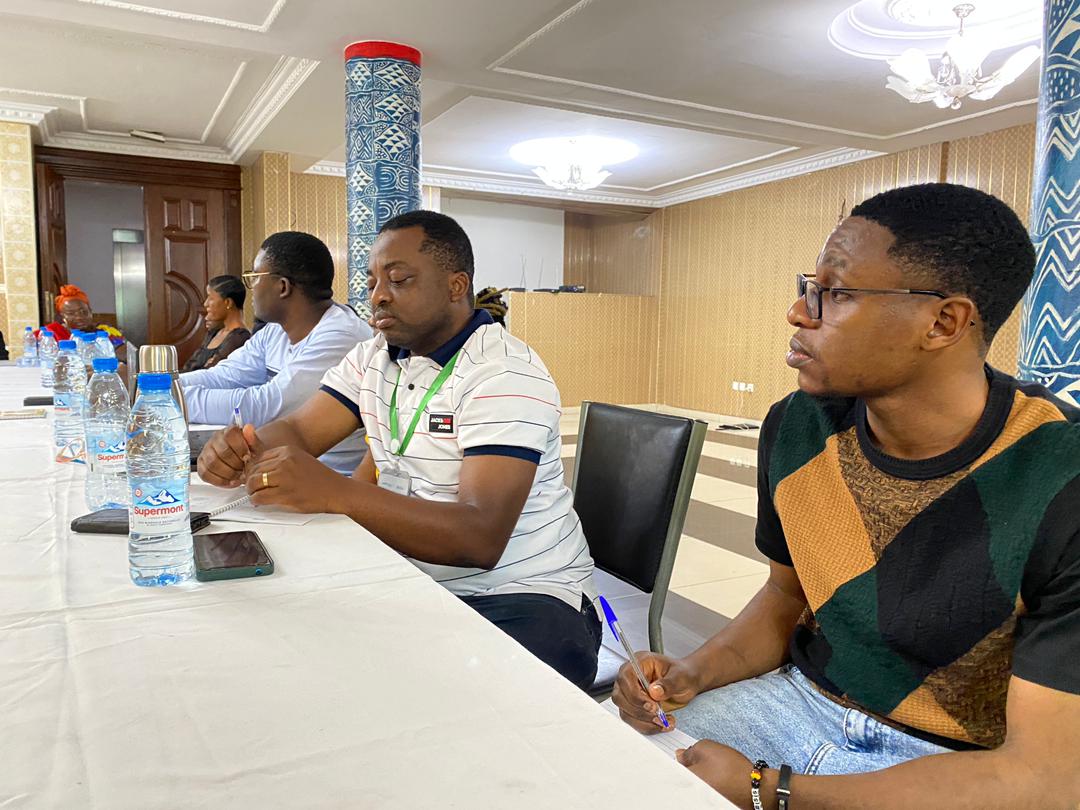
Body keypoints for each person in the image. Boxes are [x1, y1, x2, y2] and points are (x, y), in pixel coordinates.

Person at [613, 184, 1080, 808]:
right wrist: (694, 670)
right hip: (798, 703)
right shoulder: (798, 426)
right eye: (811, 286)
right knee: (601, 766)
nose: (798, 312)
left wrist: (770, 792)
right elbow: (787, 596)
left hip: (961, 764)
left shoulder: (1061, 475)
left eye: (836, 293)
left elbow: (1046, 779)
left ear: (943, 322)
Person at [196, 211, 601, 688]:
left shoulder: (503, 373)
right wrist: (239, 448)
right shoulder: (375, 355)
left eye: (399, 279)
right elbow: (302, 431)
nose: (378, 296)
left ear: (455, 286)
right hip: (413, 575)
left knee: (405, 691)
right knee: (283, 643)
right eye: (372, 282)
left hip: (522, 595)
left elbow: (480, 538)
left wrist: (334, 493)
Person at [181, 231, 370, 474]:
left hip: (335, 476)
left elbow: (266, 407)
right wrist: (164, 386)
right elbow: (224, 376)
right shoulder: (275, 331)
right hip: (286, 466)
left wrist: (174, 399)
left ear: (282, 287)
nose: (251, 290)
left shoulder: (341, 335)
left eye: (254, 277)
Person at [182, 275, 252, 372]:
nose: (205, 303)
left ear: (228, 302)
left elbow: (212, 373)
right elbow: (190, 366)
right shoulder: (214, 332)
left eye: (210, 298)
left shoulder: (240, 338)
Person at [40, 284, 126, 354]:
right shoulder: (50, 333)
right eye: (71, 313)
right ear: (62, 317)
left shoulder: (104, 332)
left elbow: (124, 353)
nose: (79, 317)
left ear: (91, 312)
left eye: (84, 312)